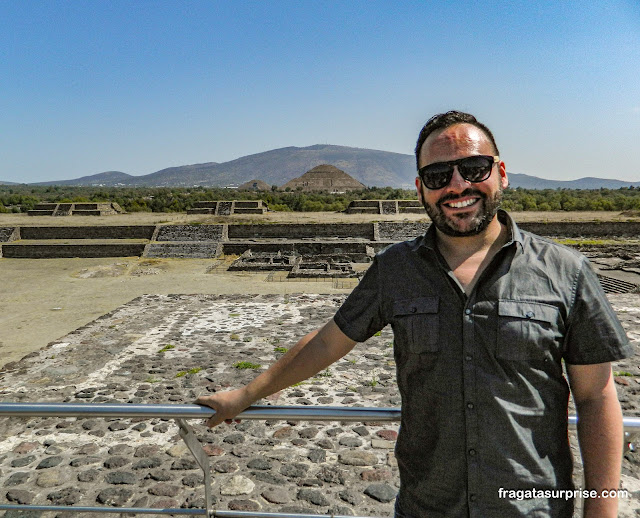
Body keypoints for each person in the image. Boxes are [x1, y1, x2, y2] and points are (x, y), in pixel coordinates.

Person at [196, 111, 632, 517]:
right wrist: (247, 394)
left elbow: (596, 397)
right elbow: (331, 340)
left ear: (500, 172)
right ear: (421, 188)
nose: (458, 186)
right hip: (429, 505)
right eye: (439, 175)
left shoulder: (565, 270)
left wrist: (603, 509)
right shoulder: (396, 269)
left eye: (474, 168)